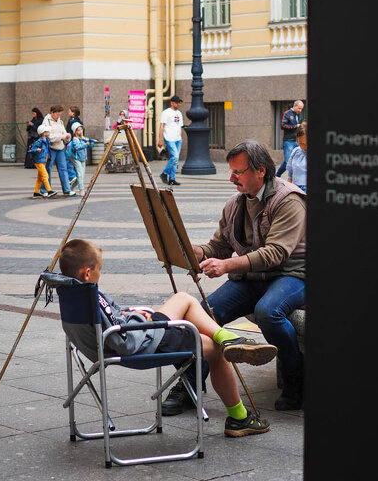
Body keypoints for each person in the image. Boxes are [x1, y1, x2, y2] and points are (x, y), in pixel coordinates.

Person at [58, 238, 276, 438]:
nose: (100, 274)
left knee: (184, 299)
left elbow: (114, 320)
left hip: (134, 335)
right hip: (143, 342)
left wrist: (130, 315)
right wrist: (138, 319)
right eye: (99, 270)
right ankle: (239, 418)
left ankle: (228, 338)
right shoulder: (91, 295)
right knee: (214, 350)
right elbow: (124, 342)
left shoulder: (74, 292)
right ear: (87, 273)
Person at [163, 140, 306, 416]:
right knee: (202, 315)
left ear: (260, 171)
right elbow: (218, 246)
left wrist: (227, 265)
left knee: (269, 311)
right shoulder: (235, 203)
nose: (231, 178)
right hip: (251, 277)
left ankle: (295, 377)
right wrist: (194, 252)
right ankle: (190, 385)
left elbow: (275, 253)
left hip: (291, 274)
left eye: (238, 172)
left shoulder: (290, 200)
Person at [40, 105, 73, 196]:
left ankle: (67, 189)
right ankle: (45, 189)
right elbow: (48, 136)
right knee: (47, 169)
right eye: (57, 115)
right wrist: (61, 137)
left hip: (60, 147)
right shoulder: (46, 121)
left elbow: (63, 132)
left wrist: (67, 137)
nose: (58, 117)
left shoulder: (60, 121)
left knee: (63, 168)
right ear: (52, 113)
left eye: (60, 115)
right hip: (50, 148)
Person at [157, 94, 183, 186]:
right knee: (175, 157)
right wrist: (160, 139)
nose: (179, 104)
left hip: (178, 139)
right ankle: (164, 174)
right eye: (177, 102)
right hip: (169, 138)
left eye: (179, 102)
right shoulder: (166, 112)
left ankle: (172, 179)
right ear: (172, 103)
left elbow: (180, 126)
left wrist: (180, 137)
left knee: (175, 159)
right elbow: (161, 126)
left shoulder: (179, 113)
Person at [276, 100, 304, 177]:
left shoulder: (299, 115)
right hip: (289, 141)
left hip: (298, 141)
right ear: (294, 106)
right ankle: (277, 175)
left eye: (301, 109)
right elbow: (283, 125)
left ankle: (295, 178)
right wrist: (295, 126)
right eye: (299, 108)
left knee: (298, 162)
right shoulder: (287, 113)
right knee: (287, 161)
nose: (300, 110)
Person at [29, 124, 58, 198]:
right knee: (45, 175)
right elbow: (31, 150)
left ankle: (36, 192)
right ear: (44, 133)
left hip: (43, 161)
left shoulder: (47, 140)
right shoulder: (39, 142)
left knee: (40, 177)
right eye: (48, 131)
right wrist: (36, 149)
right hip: (38, 161)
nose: (49, 132)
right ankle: (49, 191)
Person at [66, 123, 94, 195]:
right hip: (77, 158)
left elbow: (89, 145)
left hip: (83, 158)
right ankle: (81, 190)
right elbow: (77, 147)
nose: (80, 131)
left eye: (81, 130)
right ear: (75, 132)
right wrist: (85, 144)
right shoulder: (75, 139)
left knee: (81, 175)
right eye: (78, 130)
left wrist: (91, 142)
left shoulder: (83, 138)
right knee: (80, 175)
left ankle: (71, 187)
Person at [287, 122, 307, 192]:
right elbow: (290, 173)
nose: (305, 147)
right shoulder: (295, 152)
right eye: (302, 143)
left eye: (307, 143)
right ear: (297, 140)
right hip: (295, 188)